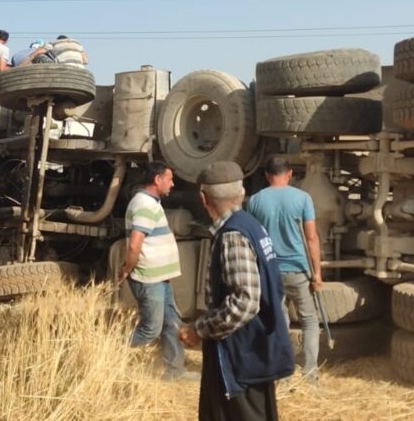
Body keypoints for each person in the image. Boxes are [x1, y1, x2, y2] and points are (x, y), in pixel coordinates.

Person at [179, 161, 294, 421]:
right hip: (254, 354)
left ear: (203, 197)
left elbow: (246, 301)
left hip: (240, 358)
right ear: (241, 194)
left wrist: (199, 329)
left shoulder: (233, 235)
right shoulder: (253, 227)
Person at [247, 155, 323, 380]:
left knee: (279, 322)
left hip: (271, 272)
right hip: (299, 269)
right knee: (309, 320)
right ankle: (310, 372)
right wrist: (317, 274)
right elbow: (312, 238)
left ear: (267, 175)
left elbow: (252, 236)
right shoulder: (303, 198)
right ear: (289, 173)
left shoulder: (255, 200)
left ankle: (283, 372)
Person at [116, 161, 192, 380]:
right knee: (151, 329)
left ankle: (175, 371)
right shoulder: (144, 205)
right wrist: (127, 268)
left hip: (159, 276)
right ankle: (108, 353)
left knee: (172, 323)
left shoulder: (150, 202)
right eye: (169, 178)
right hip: (149, 278)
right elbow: (134, 244)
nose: (172, 183)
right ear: (157, 179)